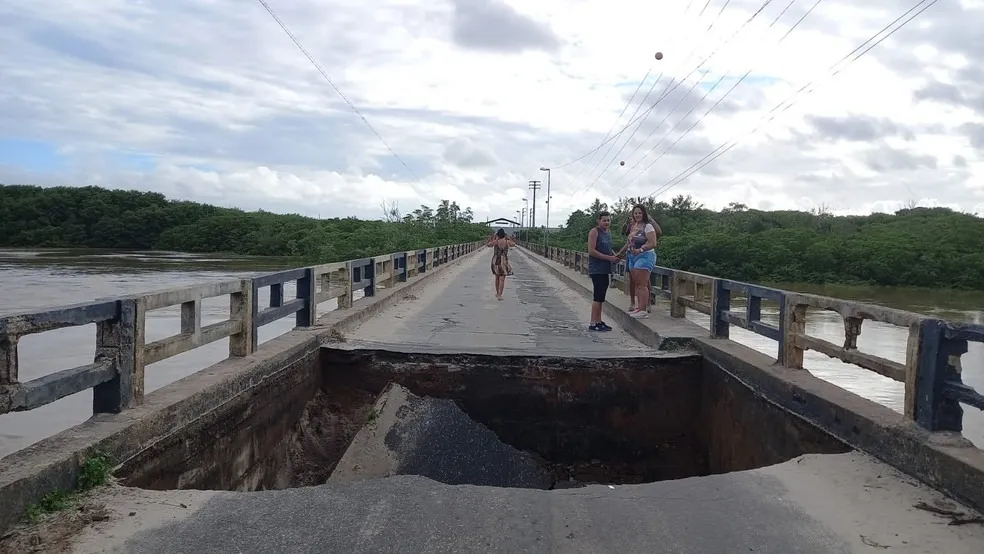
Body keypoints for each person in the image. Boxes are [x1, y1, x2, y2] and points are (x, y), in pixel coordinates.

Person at [620, 204, 661, 319]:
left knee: (642, 284)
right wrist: (621, 253)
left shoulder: (648, 226)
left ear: (644, 214)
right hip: (633, 256)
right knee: (637, 283)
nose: (637, 215)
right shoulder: (634, 226)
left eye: (640, 213)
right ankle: (639, 307)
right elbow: (628, 240)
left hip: (645, 256)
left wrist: (641, 249)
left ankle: (643, 310)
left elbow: (653, 243)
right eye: (635, 213)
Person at [586, 211, 620, 331]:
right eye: (604, 220)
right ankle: (593, 322)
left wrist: (615, 256)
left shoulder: (608, 233)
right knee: (597, 296)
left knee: (601, 297)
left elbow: (608, 249)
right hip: (597, 268)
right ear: (599, 221)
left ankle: (599, 321)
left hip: (606, 268)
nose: (606, 222)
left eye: (608, 220)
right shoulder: (594, 232)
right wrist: (609, 258)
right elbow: (592, 251)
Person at [487, 228, 515, 300]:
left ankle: (497, 293)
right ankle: (500, 294)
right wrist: (509, 238)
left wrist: (492, 238)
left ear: (498, 235)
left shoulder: (496, 241)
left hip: (495, 260)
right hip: (504, 261)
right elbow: (513, 244)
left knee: (497, 278)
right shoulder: (507, 241)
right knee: (502, 279)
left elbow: (489, 245)